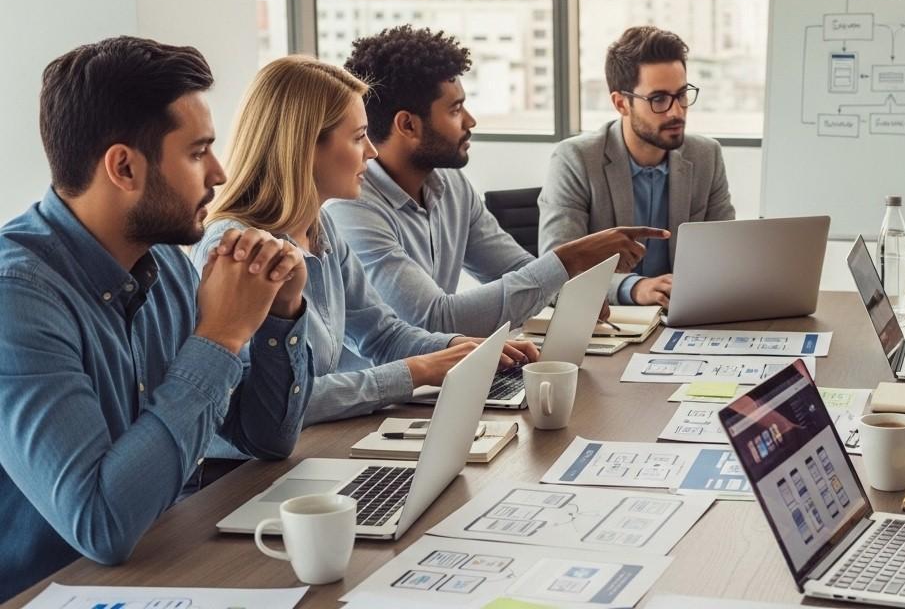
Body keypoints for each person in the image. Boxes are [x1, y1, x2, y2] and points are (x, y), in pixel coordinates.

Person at [0, 37, 313, 601]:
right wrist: (220, 337)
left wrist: (279, 314)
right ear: (123, 166)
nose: (220, 173)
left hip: (165, 561)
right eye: (198, 153)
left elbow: (264, 439)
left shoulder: (166, 261)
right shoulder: (16, 299)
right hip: (54, 590)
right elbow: (101, 524)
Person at [194, 55, 536, 430]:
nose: (372, 152)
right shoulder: (237, 250)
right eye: (359, 138)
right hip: (242, 475)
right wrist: (416, 372)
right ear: (305, 147)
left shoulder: (321, 230)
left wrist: (460, 348)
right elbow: (269, 405)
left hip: (305, 448)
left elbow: (383, 334)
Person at [327, 25, 666, 335]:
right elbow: (434, 319)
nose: (470, 121)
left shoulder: (451, 185)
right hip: (385, 395)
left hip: (436, 376)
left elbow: (512, 267)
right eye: (456, 110)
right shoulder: (350, 207)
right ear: (408, 125)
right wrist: (568, 260)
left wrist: (568, 294)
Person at [539, 25, 735, 308]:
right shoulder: (575, 159)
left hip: (684, 318)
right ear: (621, 103)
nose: (676, 111)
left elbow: (726, 255)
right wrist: (634, 288)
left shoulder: (706, 155)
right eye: (659, 99)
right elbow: (555, 273)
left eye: (681, 94)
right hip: (610, 323)